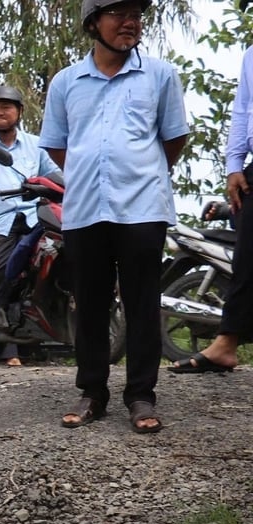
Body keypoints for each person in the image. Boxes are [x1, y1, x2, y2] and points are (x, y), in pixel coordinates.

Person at [39, 0, 188, 433]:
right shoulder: (67, 81)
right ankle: (93, 392)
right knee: (90, 302)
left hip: (143, 205)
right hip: (86, 207)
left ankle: (141, 396)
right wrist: (90, 172)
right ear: (93, 23)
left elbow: (172, 140)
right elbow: (57, 145)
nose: (130, 22)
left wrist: (137, 168)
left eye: (136, 15)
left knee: (142, 301)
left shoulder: (159, 75)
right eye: (118, 13)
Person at [168, 3, 252, 374]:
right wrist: (234, 165)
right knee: (247, 257)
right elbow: (243, 110)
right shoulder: (252, 55)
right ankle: (225, 343)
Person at [0, 85, 60, 367]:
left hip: (36, 217)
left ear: (19, 112)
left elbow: (56, 176)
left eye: (6, 107)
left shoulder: (37, 144)